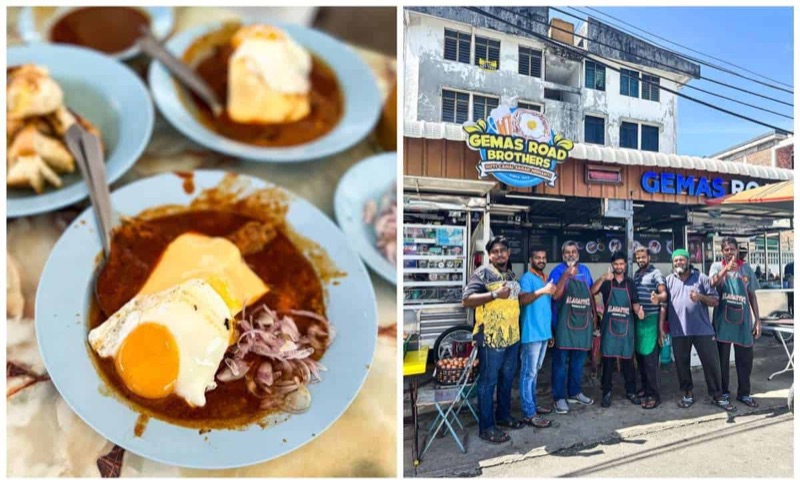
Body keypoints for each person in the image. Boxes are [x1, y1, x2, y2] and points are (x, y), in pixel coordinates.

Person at [462, 236, 523, 444]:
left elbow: (516, 300)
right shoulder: (482, 273)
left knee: (507, 380)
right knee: (488, 383)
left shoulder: (510, 273)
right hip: (490, 338)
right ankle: (486, 427)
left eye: (503, 250)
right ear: (489, 255)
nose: (500, 254)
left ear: (508, 253)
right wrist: (495, 295)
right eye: (495, 251)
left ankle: (503, 416)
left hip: (511, 337)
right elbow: (466, 300)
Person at [665, 249, 735, 411]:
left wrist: (700, 297)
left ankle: (718, 395)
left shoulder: (701, 278)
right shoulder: (669, 280)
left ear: (688, 261)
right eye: (676, 261)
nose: (678, 263)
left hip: (702, 330)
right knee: (682, 365)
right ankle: (688, 394)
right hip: (679, 331)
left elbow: (715, 301)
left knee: (711, 364)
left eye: (681, 260)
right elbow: (664, 301)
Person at [710, 238, 761, 408]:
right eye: (726, 249)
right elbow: (712, 284)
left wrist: (757, 320)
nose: (730, 252)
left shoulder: (746, 269)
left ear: (738, 250)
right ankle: (723, 393)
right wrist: (725, 269)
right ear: (722, 251)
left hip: (743, 322)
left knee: (745, 359)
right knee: (722, 360)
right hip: (723, 320)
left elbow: (752, 295)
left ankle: (744, 393)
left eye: (732, 249)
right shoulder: (716, 267)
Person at [591, 252, 645, 408]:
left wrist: (639, 312)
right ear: (612, 265)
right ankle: (606, 392)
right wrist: (602, 278)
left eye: (622, 264)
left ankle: (631, 391)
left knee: (628, 361)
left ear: (625, 265)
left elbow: (635, 303)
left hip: (626, 327)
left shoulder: (630, 283)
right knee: (607, 361)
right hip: (609, 328)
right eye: (616, 264)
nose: (619, 267)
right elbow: (592, 291)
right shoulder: (607, 281)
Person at [548, 241, 595, 414]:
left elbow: (590, 293)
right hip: (562, 325)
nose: (570, 255)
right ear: (562, 255)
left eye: (573, 251)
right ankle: (559, 397)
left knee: (578, 362)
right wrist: (566, 275)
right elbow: (554, 297)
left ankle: (575, 392)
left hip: (582, 324)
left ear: (578, 254)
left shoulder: (585, 271)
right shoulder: (557, 271)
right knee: (560, 363)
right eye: (567, 252)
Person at [518, 247, 557, 428]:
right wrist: (543, 290)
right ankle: (529, 413)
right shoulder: (527, 278)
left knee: (534, 373)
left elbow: (545, 309)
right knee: (528, 373)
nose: (541, 260)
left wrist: (549, 333)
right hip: (531, 334)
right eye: (537, 257)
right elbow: (522, 300)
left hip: (542, 333)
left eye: (543, 257)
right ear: (531, 260)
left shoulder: (544, 278)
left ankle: (532, 406)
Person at [633, 246, 668, 409]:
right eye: (638, 258)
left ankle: (654, 395)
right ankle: (645, 389)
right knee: (640, 359)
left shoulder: (656, 274)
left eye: (643, 257)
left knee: (650, 361)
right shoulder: (636, 275)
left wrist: (657, 297)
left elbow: (664, 295)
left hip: (652, 322)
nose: (640, 260)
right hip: (639, 321)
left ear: (649, 258)